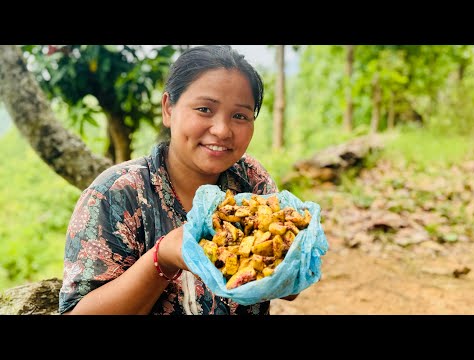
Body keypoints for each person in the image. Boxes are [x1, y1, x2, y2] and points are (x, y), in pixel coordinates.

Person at [59, 45, 298, 315]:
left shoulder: (251, 180)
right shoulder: (116, 194)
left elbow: (289, 289)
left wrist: (295, 257)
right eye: (205, 109)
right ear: (168, 108)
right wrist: (162, 259)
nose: (221, 130)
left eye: (240, 116)